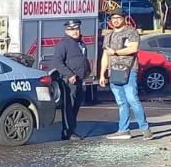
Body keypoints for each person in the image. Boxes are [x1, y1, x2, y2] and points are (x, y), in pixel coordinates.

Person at [100, 10, 152, 140]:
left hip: (129, 70)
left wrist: (116, 52)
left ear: (124, 18)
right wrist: (102, 74)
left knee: (132, 99)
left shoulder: (131, 32)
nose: (116, 20)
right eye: (113, 18)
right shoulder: (109, 35)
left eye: (118, 17)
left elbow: (133, 48)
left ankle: (145, 129)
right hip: (114, 72)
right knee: (121, 102)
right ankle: (123, 130)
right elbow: (106, 55)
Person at [50, 19, 89, 140]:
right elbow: (57, 62)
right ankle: (67, 132)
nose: (75, 32)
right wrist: (69, 75)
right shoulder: (64, 44)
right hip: (69, 82)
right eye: (72, 30)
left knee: (76, 107)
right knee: (69, 108)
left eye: (77, 29)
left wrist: (87, 70)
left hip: (80, 80)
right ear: (66, 31)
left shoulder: (80, 43)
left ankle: (72, 129)